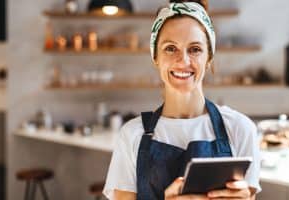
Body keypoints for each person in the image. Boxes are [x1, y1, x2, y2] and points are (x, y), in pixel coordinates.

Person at [103, 1, 261, 199]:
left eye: (195, 49)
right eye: (170, 48)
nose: (183, 61)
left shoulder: (240, 129)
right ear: (155, 57)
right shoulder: (132, 135)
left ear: (209, 57)